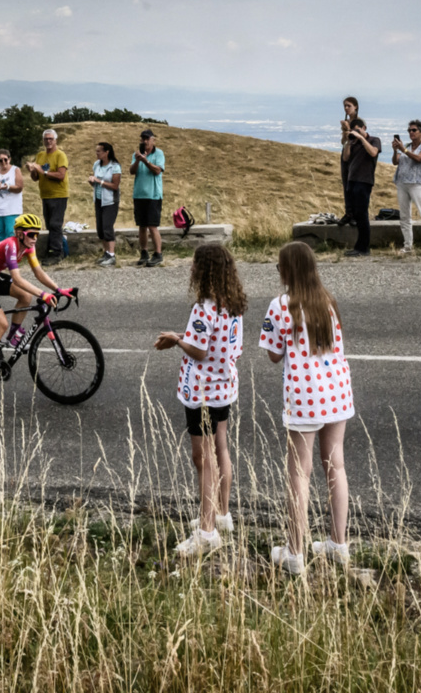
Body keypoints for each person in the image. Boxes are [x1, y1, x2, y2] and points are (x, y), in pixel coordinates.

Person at [259, 241, 355, 577]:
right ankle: (338, 544)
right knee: (336, 466)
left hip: (305, 396)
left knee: (299, 472)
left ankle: (295, 551)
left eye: (279, 266)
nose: (277, 271)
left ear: (290, 270)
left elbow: (272, 354)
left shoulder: (281, 305)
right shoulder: (327, 301)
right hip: (338, 392)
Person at [154, 243, 245, 557]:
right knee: (221, 448)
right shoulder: (233, 303)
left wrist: (177, 339)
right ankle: (222, 514)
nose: (190, 269)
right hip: (224, 386)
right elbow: (222, 344)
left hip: (202, 389)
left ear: (202, 271)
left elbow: (199, 350)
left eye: (194, 265)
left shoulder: (204, 307)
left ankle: (206, 531)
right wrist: (184, 336)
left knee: (202, 458)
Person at [0, 213, 69, 392]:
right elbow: (18, 279)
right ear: (20, 234)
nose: (35, 239)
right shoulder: (11, 246)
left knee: (25, 297)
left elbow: (38, 272)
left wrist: (58, 289)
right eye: (32, 234)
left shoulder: (27, 247)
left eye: (37, 235)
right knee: (0, 324)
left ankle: (12, 338)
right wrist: (43, 295)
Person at [390, 120, 421, 256]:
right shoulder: (406, 146)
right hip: (402, 183)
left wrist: (403, 150)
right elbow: (395, 161)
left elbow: (419, 158)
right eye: (409, 130)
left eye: (414, 130)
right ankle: (408, 246)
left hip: (418, 184)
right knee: (405, 216)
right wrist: (395, 150)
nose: (411, 132)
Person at [338, 118, 382, 257]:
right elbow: (345, 158)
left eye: (358, 129)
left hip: (364, 180)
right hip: (351, 180)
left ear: (364, 127)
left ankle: (363, 247)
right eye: (354, 130)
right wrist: (347, 141)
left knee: (362, 214)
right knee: (356, 214)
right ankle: (360, 246)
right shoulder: (352, 141)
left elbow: (374, 153)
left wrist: (361, 138)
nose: (356, 132)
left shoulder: (374, 140)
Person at [28, 129, 70, 261]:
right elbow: (36, 178)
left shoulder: (60, 155)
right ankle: (55, 249)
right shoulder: (40, 155)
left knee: (55, 224)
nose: (48, 141)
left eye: (51, 139)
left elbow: (61, 175)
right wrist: (33, 171)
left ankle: (56, 253)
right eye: (46, 139)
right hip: (45, 195)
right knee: (49, 224)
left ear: (55, 140)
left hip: (59, 194)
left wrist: (43, 172)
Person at [129, 129, 166, 267]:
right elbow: (132, 171)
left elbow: (157, 171)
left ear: (152, 140)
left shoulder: (159, 153)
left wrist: (145, 161)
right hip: (139, 194)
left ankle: (158, 253)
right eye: (142, 139)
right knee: (142, 226)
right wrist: (138, 160)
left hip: (153, 195)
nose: (144, 141)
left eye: (147, 139)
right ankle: (144, 252)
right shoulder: (136, 154)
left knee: (152, 225)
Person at [88, 141, 122, 267]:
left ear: (106, 152)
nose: (96, 153)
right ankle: (106, 252)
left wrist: (99, 181)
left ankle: (112, 255)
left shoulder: (115, 166)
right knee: (100, 228)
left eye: (99, 151)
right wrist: (92, 182)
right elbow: (96, 181)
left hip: (110, 201)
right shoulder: (96, 164)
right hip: (98, 199)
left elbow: (115, 185)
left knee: (107, 226)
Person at [0, 149, 24, 240]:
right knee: (0, 234)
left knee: (10, 233)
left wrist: (8, 186)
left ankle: (12, 254)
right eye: (0, 160)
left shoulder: (15, 170)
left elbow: (19, 187)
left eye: (5, 159)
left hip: (12, 209)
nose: (3, 162)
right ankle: (2, 253)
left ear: (9, 159)